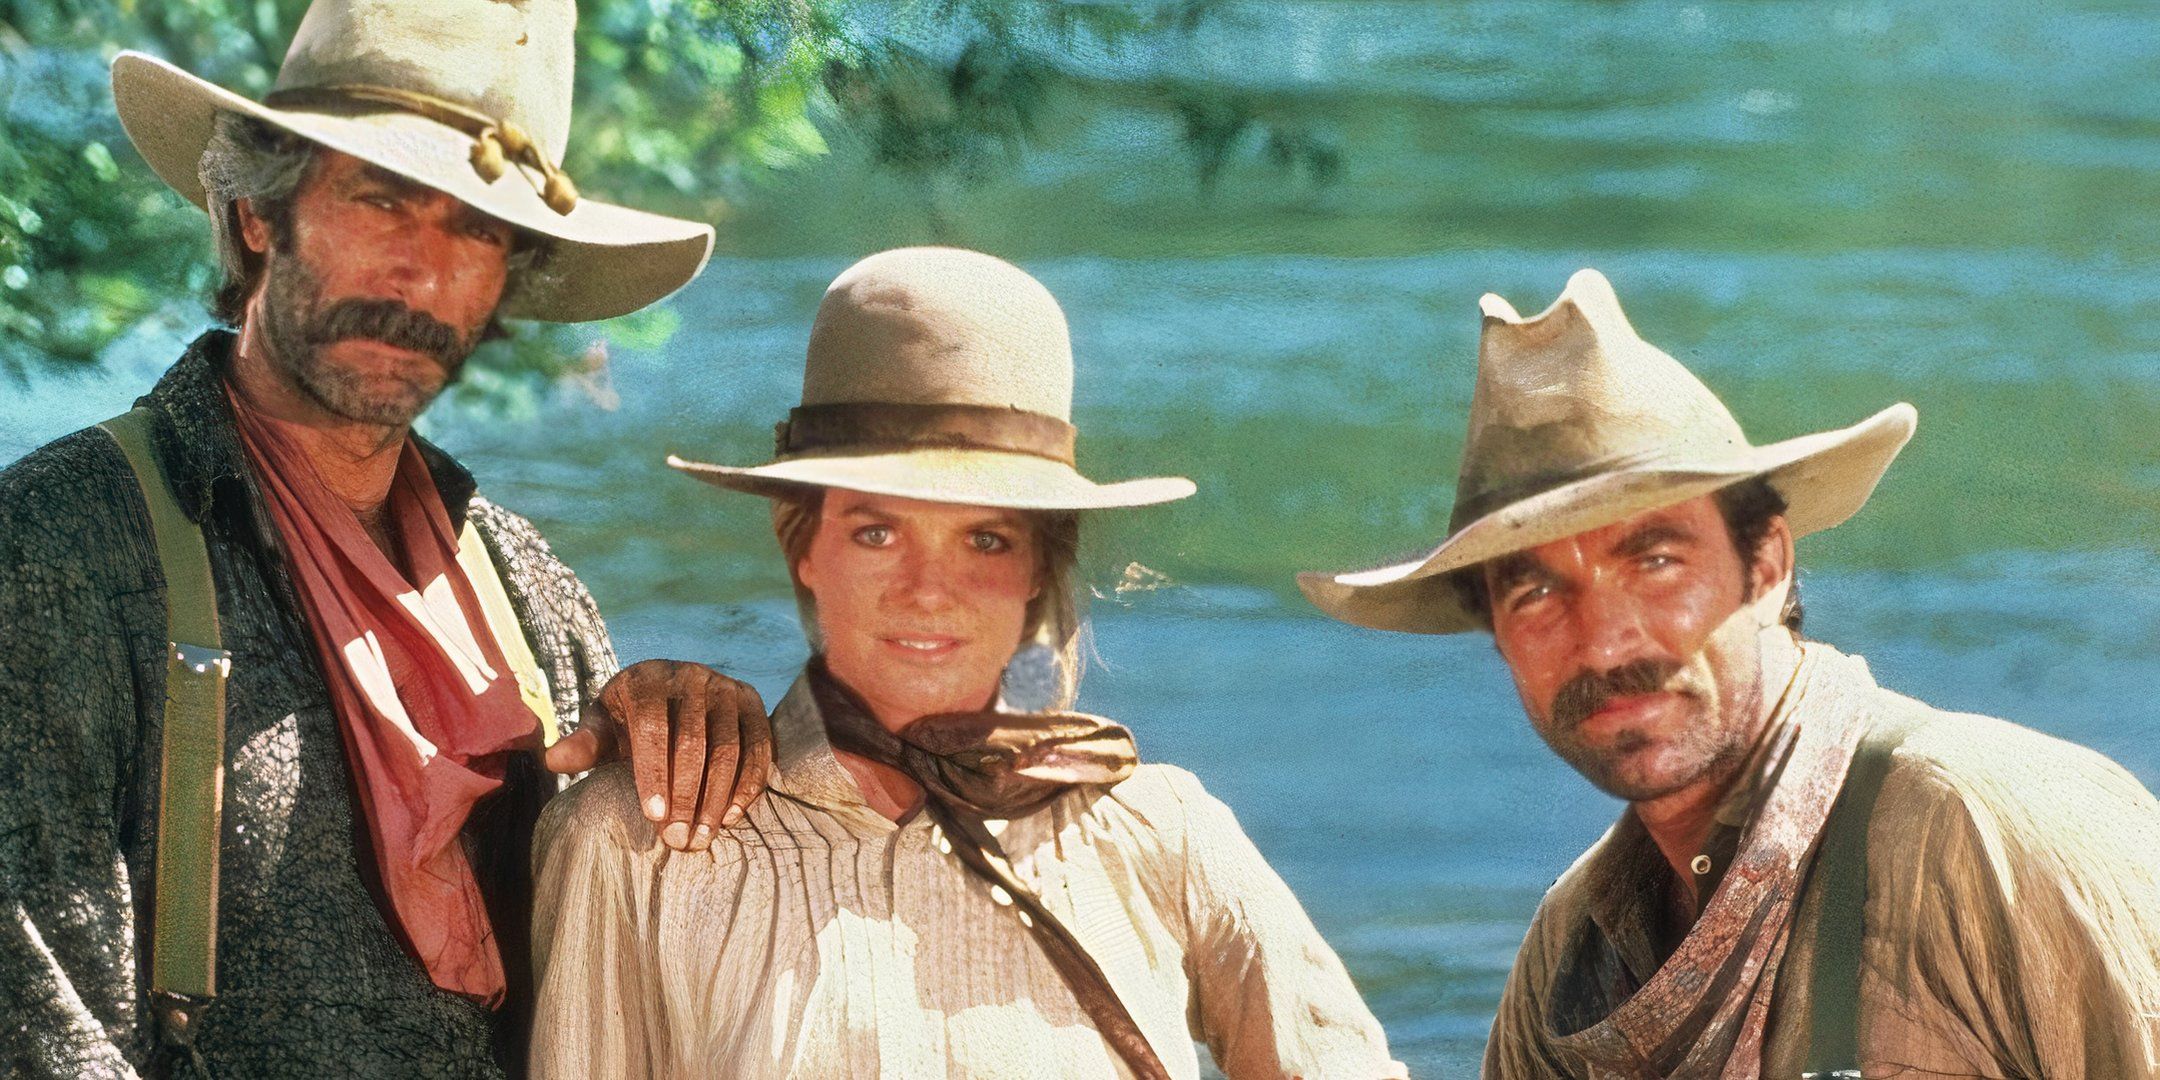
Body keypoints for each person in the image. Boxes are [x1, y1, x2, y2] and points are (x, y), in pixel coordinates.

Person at [0, 1, 776, 1075]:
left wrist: (690, 735)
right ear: (262, 215)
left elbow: (630, 981)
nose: (422, 273)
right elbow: (38, 1032)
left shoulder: (528, 589)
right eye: (381, 201)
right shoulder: (61, 549)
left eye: (475, 231)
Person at [528, 246, 1405, 1079]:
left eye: (985, 538)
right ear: (803, 545)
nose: (929, 590)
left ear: (1037, 568)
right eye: (877, 532)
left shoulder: (1160, 833)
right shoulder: (633, 841)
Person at [1300, 268, 2160, 1079]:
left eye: (1657, 561)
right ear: (1494, 634)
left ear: (1768, 565)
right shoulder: (1570, 953)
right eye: (1535, 593)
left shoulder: (1991, 830)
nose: (1602, 643)